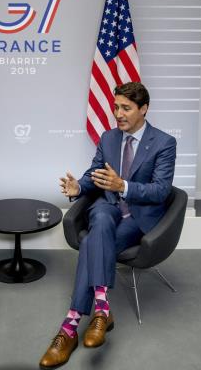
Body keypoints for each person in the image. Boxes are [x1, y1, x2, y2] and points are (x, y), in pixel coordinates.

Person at [39, 82, 177, 368]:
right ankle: (101, 309)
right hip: (107, 206)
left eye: (125, 108)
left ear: (144, 109)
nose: (118, 114)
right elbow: (94, 174)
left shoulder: (164, 143)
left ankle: (69, 327)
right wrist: (79, 186)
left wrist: (123, 185)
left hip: (137, 216)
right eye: (116, 107)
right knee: (100, 216)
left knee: (91, 241)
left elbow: (161, 191)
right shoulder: (109, 137)